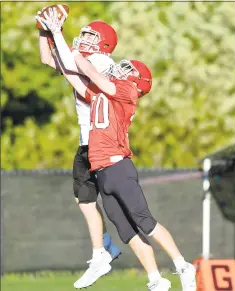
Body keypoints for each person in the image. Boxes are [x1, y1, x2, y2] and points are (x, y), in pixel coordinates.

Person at [38, 8, 197, 291]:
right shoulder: (103, 91)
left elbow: (88, 72)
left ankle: (183, 266)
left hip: (117, 165)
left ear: (137, 82)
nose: (121, 68)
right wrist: (48, 36)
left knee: (144, 222)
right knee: (126, 231)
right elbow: (74, 77)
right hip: (101, 168)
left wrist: (61, 36)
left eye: (128, 70)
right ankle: (155, 280)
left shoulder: (123, 92)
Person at [35, 8, 121, 288]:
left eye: (89, 35)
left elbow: (71, 63)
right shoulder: (84, 58)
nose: (83, 38)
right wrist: (43, 31)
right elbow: (48, 59)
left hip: (101, 143)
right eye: (83, 33)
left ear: (104, 43)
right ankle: (106, 247)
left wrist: (56, 31)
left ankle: (101, 255)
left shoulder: (100, 60)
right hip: (88, 143)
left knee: (107, 206)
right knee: (85, 201)